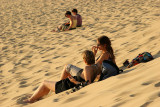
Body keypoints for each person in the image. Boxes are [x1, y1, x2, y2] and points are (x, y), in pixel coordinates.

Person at [24, 50, 101, 103]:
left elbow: (87, 84)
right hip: (69, 83)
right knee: (48, 85)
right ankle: (37, 96)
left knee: (44, 83)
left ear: (84, 60)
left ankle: (30, 100)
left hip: (68, 85)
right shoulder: (96, 67)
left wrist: (74, 81)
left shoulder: (87, 68)